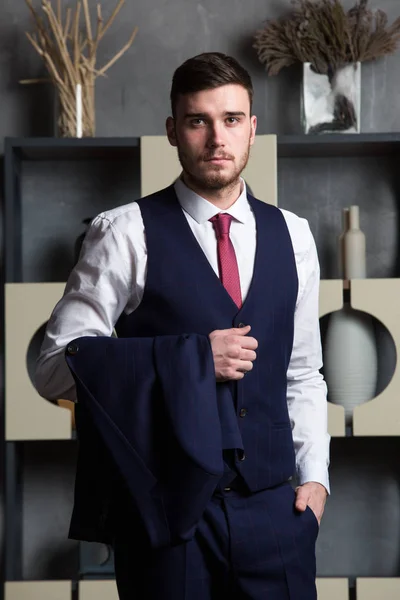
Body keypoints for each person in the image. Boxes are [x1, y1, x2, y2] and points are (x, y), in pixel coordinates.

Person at [35, 52, 330, 600]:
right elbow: (55, 368)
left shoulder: (295, 236)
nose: (217, 138)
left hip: (276, 517)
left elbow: (302, 372)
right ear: (173, 131)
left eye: (232, 120)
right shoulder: (124, 232)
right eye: (198, 121)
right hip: (166, 521)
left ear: (252, 129)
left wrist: (315, 482)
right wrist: (194, 360)